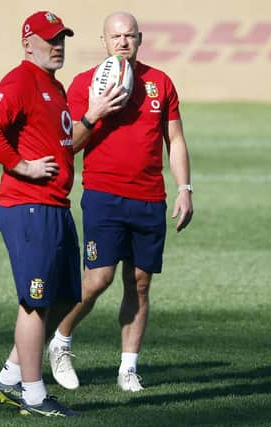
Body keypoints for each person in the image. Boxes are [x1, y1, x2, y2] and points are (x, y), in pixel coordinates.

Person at [47, 11, 194, 392]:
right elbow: (70, 144)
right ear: (104, 41)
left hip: (149, 199)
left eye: (129, 36)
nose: (123, 42)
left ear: (140, 39)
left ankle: (128, 368)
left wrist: (184, 188)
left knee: (140, 284)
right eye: (116, 36)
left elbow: (174, 139)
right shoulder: (82, 85)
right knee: (98, 279)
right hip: (103, 196)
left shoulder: (159, 83)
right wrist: (94, 114)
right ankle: (60, 339)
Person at [0, 11, 81, 417]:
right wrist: (23, 166)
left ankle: (9, 377)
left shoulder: (55, 86)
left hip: (55, 206)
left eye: (62, 38)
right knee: (35, 302)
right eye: (50, 38)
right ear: (27, 42)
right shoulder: (19, 81)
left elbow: (62, 142)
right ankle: (34, 396)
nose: (58, 45)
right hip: (29, 206)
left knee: (67, 296)